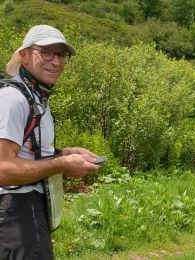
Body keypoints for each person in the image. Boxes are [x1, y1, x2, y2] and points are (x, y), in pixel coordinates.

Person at [0, 25, 100, 259]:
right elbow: (3, 169)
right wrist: (62, 164)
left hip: (26, 208)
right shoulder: (14, 99)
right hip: (15, 212)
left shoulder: (35, 97)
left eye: (61, 55)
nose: (56, 62)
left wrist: (64, 153)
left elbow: (27, 152)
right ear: (23, 56)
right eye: (46, 52)